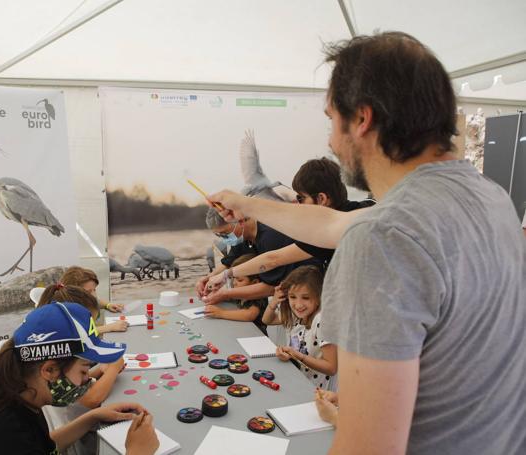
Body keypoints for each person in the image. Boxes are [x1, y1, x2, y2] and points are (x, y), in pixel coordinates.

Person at [208, 32, 525, 455]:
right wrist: (245, 203)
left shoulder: (382, 237)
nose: (330, 142)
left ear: (361, 119)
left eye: (330, 120)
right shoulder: (491, 197)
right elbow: (332, 224)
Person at [0, 302, 158, 455]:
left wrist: (92, 417)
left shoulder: (21, 397)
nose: (87, 380)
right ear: (49, 370)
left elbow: (47, 444)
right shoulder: (5, 435)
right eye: (84, 371)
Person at [204, 158, 374, 292]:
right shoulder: (327, 231)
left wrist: (244, 204)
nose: (297, 204)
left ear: (321, 199)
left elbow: (273, 259)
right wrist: (226, 274)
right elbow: (273, 259)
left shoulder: (363, 217)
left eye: (301, 198)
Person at [201, 208, 315, 305]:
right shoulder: (243, 237)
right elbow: (229, 262)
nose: (224, 239)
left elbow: (271, 287)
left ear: (240, 221)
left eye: (225, 233)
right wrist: (208, 279)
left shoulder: (271, 235)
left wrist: (225, 294)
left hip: (310, 290)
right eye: (219, 235)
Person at [262, 266, 336, 390]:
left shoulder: (322, 321)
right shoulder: (296, 314)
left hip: (314, 392)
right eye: (292, 297)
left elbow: (331, 367)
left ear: (319, 297)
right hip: (295, 381)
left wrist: (298, 356)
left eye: (306, 298)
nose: (298, 304)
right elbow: (266, 320)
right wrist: (274, 301)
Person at [203, 254, 268, 334]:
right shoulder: (239, 290)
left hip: (256, 336)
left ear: (254, 283)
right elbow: (229, 297)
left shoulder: (258, 296)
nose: (234, 283)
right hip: (240, 330)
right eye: (233, 279)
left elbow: (250, 315)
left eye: (239, 280)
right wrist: (216, 293)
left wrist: (220, 313)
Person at [61, 266, 128, 333]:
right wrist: (109, 327)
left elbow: (97, 301)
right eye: (88, 292)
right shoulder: (64, 311)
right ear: (73, 292)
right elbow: (78, 334)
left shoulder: (80, 300)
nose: (94, 295)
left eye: (94, 290)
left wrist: (108, 305)